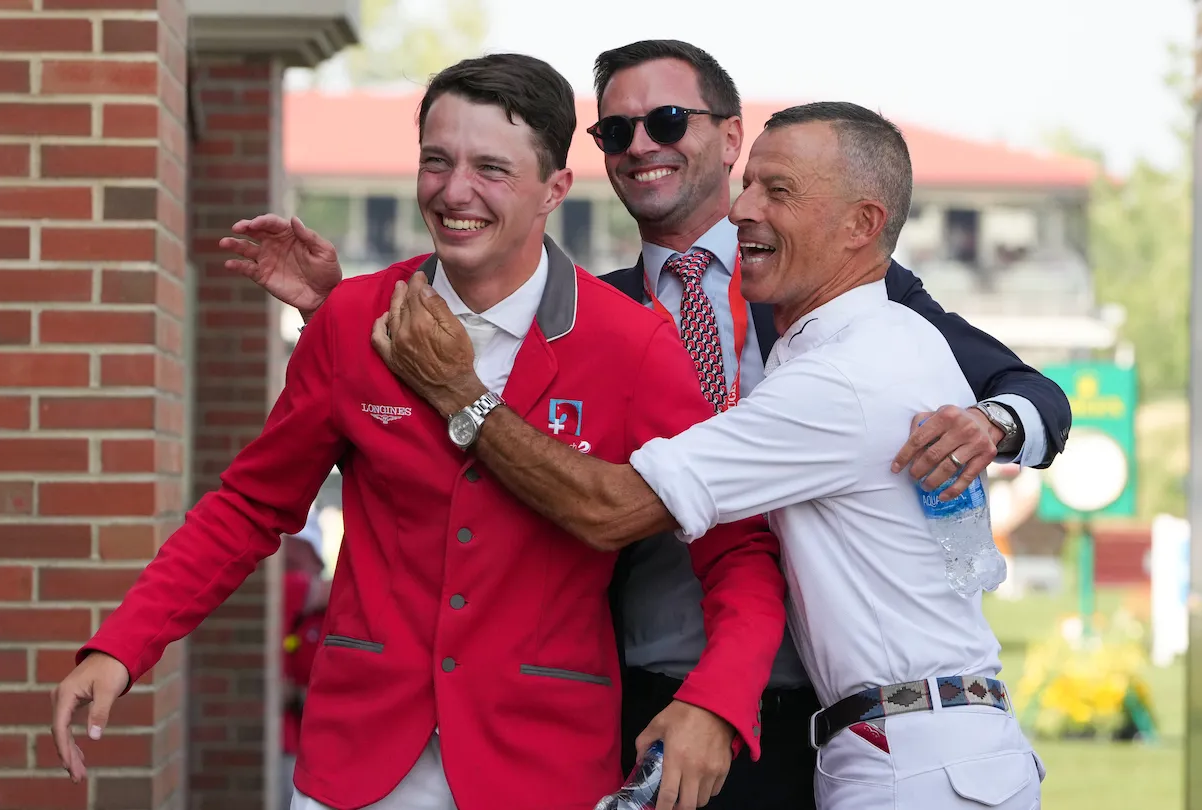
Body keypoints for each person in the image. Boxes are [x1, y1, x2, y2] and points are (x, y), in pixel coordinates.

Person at [222, 40, 1069, 809]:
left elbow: (1027, 389)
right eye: (615, 132)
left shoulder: (858, 315)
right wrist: (350, 314)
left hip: (810, 703)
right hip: (646, 691)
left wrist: (994, 421)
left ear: (730, 137)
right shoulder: (605, 314)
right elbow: (472, 352)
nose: (641, 145)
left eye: (666, 119)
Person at [49, 53, 789, 810]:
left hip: (543, 767)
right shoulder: (348, 319)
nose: (454, 191)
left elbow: (739, 546)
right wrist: (122, 645)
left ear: (554, 190)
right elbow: (249, 507)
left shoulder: (631, 345)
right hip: (356, 760)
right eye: (436, 161)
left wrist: (719, 701)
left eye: (491, 169)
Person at [281, 510, 330, 810]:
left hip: (326, 751)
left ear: (316, 561)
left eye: (296, 564)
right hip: (286, 744)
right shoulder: (287, 594)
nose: (290, 574)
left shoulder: (331, 613)